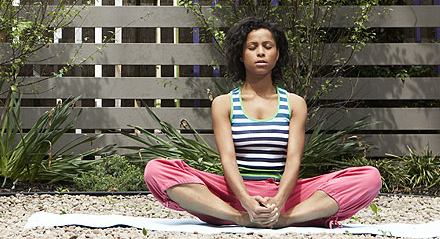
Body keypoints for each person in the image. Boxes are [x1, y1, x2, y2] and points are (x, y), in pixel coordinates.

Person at [144, 17, 381, 228]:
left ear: (277, 55)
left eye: (268, 47)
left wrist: (278, 203)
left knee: (370, 177)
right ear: (241, 55)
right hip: (234, 196)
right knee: (156, 169)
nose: (260, 52)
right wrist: (246, 202)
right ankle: (239, 218)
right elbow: (228, 159)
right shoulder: (224, 103)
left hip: (286, 196)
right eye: (252, 47)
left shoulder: (294, 103)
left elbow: (293, 159)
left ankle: (286, 219)